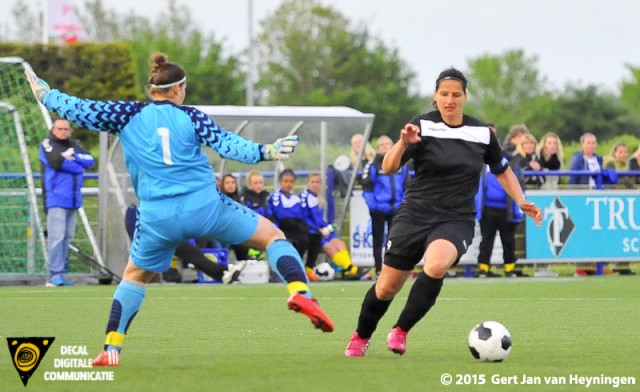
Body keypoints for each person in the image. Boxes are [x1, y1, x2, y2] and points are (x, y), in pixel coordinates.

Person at [26, 53, 334, 367]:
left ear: (153, 89)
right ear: (178, 89)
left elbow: (79, 108)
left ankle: (111, 349)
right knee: (272, 237)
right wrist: (267, 150)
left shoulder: (127, 113)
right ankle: (300, 292)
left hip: (158, 216)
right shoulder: (191, 116)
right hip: (206, 207)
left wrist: (45, 94)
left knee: (134, 277)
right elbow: (228, 144)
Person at [344, 67, 542, 357]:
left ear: (465, 97)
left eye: (456, 94)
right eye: (444, 94)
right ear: (435, 97)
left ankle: (400, 331)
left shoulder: (482, 133)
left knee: (436, 266)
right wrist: (402, 142)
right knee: (387, 287)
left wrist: (521, 199)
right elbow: (388, 167)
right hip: (415, 214)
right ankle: (361, 336)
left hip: (456, 218)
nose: (450, 99)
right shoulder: (421, 126)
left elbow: (502, 170)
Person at [124, 204, 246, 284]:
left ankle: (223, 273)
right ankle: (222, 273)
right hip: (146, 228)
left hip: (157, 229)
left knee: (191, 252)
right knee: (136, 274)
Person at [39, 118, 95, 287]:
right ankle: (54, 274)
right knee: (56, 237)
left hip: (73, 199)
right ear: (53, 129)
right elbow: (57, 162)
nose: (63, 132)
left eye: (66, 129)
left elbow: (90, 160)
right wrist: (77, 165)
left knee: (67, 237)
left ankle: (61, 273)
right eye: (60, 129)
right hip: (56, 198)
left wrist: (74, 157)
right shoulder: (47, 144)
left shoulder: (75, 144)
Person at [475, 124, 526, 278]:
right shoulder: (478, 159)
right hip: (487, 208)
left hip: (506, 207)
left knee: (508, 240)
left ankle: (509, 269)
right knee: (487, 240)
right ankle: (483, 269)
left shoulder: (507, 158)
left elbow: (518, 178)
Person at [300, 172, 368, 280]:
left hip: (322, 231)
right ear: (308, 183)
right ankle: (352, 268)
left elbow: (319, 220)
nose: (315, 184)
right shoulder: (304, 197)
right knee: (330, 247)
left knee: (340, 244)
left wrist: (327, 228)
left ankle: (348, 270)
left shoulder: (319, 198)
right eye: (312, 182)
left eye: (317, 182)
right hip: (312, 233)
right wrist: (319, 230)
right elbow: (304, 218)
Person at [361, 135, 410, 278]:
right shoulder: (373, 165)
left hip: (396, 208)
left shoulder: (401, 163)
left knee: (394, 240)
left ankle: (392, 269)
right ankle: (378, 269)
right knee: (378, 240)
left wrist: (403, 204)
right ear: (377, 149)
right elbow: (367, 188)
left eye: (387, 144)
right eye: (381, 145)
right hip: (379, 209)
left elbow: (407, 186)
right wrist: (373, 207)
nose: (384, 147)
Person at [269, 169, 313, 279]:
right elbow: (281, 214)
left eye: (291, 181)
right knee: (294, 239)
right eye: (286, 181)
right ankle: (283, 270)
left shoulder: (296, 198)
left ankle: (303, 269)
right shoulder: (276, 196)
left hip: (295, 227)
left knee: (311, 237)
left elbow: (301, 214)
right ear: (281, 182)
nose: (289, 184)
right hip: (281, 228)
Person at [219, 173, 251, 260]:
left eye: (233, 182)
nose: (231, 185)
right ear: (223, 185)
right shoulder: (219, 199)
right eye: (227, 183)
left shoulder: (240, 199)